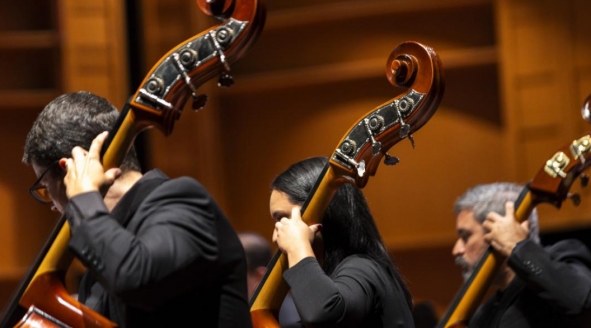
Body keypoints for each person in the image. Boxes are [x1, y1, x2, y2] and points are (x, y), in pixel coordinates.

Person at [22, 91, 251, 327]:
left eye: (46, 189)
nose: (52, 206)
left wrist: (85, 200)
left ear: (70, 170)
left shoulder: (184, 202)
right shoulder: (94, 275)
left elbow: (137, 278)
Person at [269, 156, 414, 327]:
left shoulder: (363, 268)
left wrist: (297, 246)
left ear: (323, 211)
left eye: (284, 219)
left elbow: (322, 313)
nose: (276, 236)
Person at [452, 182, 591, 327]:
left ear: (499, 231)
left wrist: (518, 246)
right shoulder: (483, 315)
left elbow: (583, 303)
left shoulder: (562, 256)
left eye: (465, 236)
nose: (456, 250)